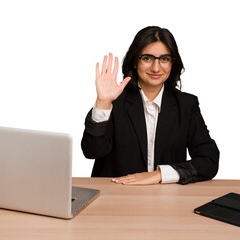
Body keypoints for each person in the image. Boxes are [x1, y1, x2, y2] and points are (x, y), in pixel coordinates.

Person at [81, 26, 219, 185]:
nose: (156, 67)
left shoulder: (186, 105)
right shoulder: (114, 101)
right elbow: (92, 152)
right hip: (116, 195)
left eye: (164, 59)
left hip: (167, 199)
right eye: (147, 58)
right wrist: (103, 103)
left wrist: (160, 175)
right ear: (134, 61)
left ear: (172, 63)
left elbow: (209, 160)